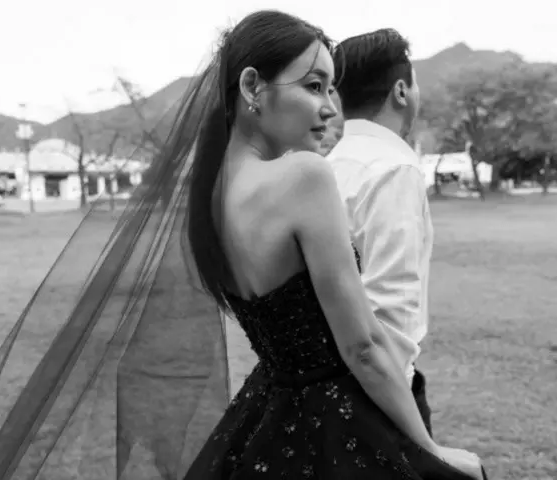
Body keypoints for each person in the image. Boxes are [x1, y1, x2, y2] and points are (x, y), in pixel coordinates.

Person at [184, 11, 485, 480]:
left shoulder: (213, 194)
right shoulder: (303, 175)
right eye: (314, 86)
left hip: (263, 417)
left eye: (331, 89)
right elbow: (362, 345)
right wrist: (428, 449)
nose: (330, 108)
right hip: (335, 423)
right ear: (251, 87)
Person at [327, 28, 435, 435]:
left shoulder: (325, 163)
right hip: (378, 399)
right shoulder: (392, 169)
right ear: (401, 91)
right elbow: (392, 312)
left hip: (321, 387)